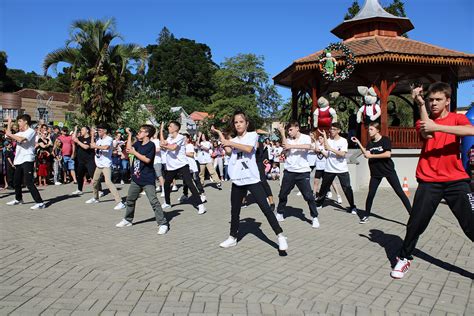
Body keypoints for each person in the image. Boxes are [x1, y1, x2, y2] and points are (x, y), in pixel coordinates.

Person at [390, 82, 474, 279]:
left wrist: (440, 126)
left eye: (438, 100)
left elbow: (471, 131)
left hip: (457, 181)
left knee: (471, 224)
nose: (434, 103)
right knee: (416, 223)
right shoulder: (424, 120)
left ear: (447, 101)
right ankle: (403, 258)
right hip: (429, 181)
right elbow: (428, 132)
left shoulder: (457, 119)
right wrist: (420, 104)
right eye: (431, 100)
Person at [212, 111, 288, 251]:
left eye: (241, 121)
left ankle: (280, 236)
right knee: (235, 210)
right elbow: (229, 151)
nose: (238, 124)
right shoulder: (234, 139)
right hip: (238, 179)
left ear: (246, 123)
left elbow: (248, 149)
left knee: (265, 208)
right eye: (236, 122)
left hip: (252, 179)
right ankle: (232, 237)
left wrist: (229, 142)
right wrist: (221, 137)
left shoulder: (253, 135)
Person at [352, 122, 412, 224]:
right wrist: (358, 143)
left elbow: (388, 154)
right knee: (371, 194)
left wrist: (372, 156)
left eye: (371, 129)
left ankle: (412, 215)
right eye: (368, 129)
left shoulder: (385, 140)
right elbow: (367, 154)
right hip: (376, 173)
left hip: (388, 171)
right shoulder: (370, 143)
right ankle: (366, 215)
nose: (369, 131)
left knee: (400, 193)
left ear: (377, 130)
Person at [115, 125, 169, 234]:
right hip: (136, 178)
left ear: (147, 134)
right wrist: (129, 135)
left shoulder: (151, 145)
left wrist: (135, 153)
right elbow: (129, 149)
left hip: (147, 179)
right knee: (130, 199)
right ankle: (128, 219)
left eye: (141, 131)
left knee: (154, 201)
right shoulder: (138, 144)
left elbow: (147, 160)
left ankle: (163, 223)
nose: (138, 133)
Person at [275, 121, 320, 229]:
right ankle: (280, 212)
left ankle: (314, 217)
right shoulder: (288, 139)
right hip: (289, 171)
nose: (289, 132)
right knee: (282, 194)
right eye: (287, 131)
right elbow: (285, 148)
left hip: (302, 171)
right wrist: (282, 133)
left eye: (290, 130)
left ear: (297, 128)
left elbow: (308, 146)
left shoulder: (305, 137)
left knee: (308, 196)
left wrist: (291, 146)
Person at [160, 121, 207, 214]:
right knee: (166, 184)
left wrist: (164, 146)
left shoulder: (181, 137)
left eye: (170, 126)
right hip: (171, 166)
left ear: (176, 128)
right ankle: (167, 203)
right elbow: (163, 143)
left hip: (182, 165)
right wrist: (161, 130)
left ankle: (201, 205)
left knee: (189, 183)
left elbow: (173, 148)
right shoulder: (169, 137)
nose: (168, 127)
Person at [315, 123, 358, 214]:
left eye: (334, 129)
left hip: (342, 169)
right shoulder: (329, 140)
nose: (331, 131)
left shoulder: (343, 141)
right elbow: (327, 153)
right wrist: (323, 147)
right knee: (324, 187)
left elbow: (342, 154)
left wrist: (331, 149)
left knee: (347, 188)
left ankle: (352, 206)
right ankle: (319, 203)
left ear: (339, 130)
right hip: (329, 169)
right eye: (331, 129)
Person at [5, 114, 45, 210]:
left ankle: (40, 202)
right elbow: (7, 135)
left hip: (27, 158)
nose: (18, 123)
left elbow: (22, 140)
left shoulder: (31, 131)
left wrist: (11, 134)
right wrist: (9, 123)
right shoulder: (19, 132)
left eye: (19, 121)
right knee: (16, 181)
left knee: (28, 182)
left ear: (25, 122)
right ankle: (18, 199)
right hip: (18, 160)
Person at [86, 125, 125, 210]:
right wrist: (92, 135)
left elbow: (106, 147)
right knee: (95, 181)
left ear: (105, 131)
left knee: (108, 182)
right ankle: (95, 198)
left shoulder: (109, 139)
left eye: (100, 130)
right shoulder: (99, 139)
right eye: (98, 130)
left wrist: (95, 146)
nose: (98, 132)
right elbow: (92, 145)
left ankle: (120, 202)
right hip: (99, 165)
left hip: (106, 165)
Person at [71, 126, 99, 195]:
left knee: (93, 176)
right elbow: (73, 138)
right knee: (79, 175)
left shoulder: (91, 138)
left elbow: (86, 147)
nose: (81, 131)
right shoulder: (80, 138)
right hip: (81, 161)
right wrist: (75, 130)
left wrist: (78, 142)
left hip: (89, 160)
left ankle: (99, 190)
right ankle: (79, 189)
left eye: (82, 129)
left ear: (87, 131)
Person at [181, 133, 206, 202]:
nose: (183, 139)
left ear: (188, 139)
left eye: (184, 137)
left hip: (193, 166)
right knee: (185, 182)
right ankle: (185, 195)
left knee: (196, 180)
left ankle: (202, 194)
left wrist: (183, 152)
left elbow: (191, 154)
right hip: (185, 167)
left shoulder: (189, 145)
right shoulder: (181, 146)